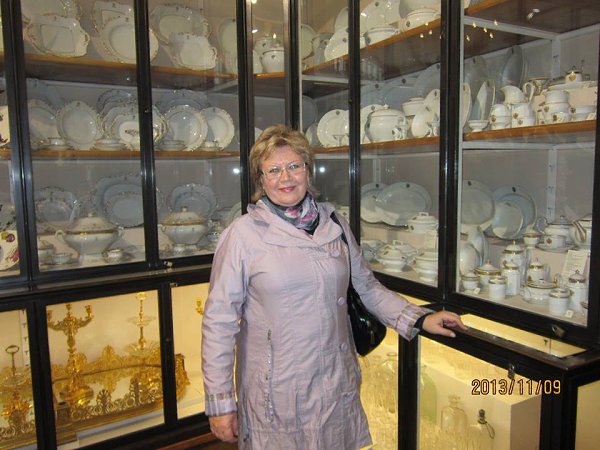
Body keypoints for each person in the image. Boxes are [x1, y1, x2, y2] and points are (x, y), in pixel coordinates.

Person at [201, 124, 466, 449]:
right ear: (261, 179)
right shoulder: (242, 236)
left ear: (308, 171)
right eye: (274, 170)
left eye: (294, 166)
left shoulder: (335, 224)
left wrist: (420, 318)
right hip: (279, 391)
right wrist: (220, 403)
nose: (286, 177)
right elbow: (219, 323)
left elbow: (367, 288)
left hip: (335, 381)